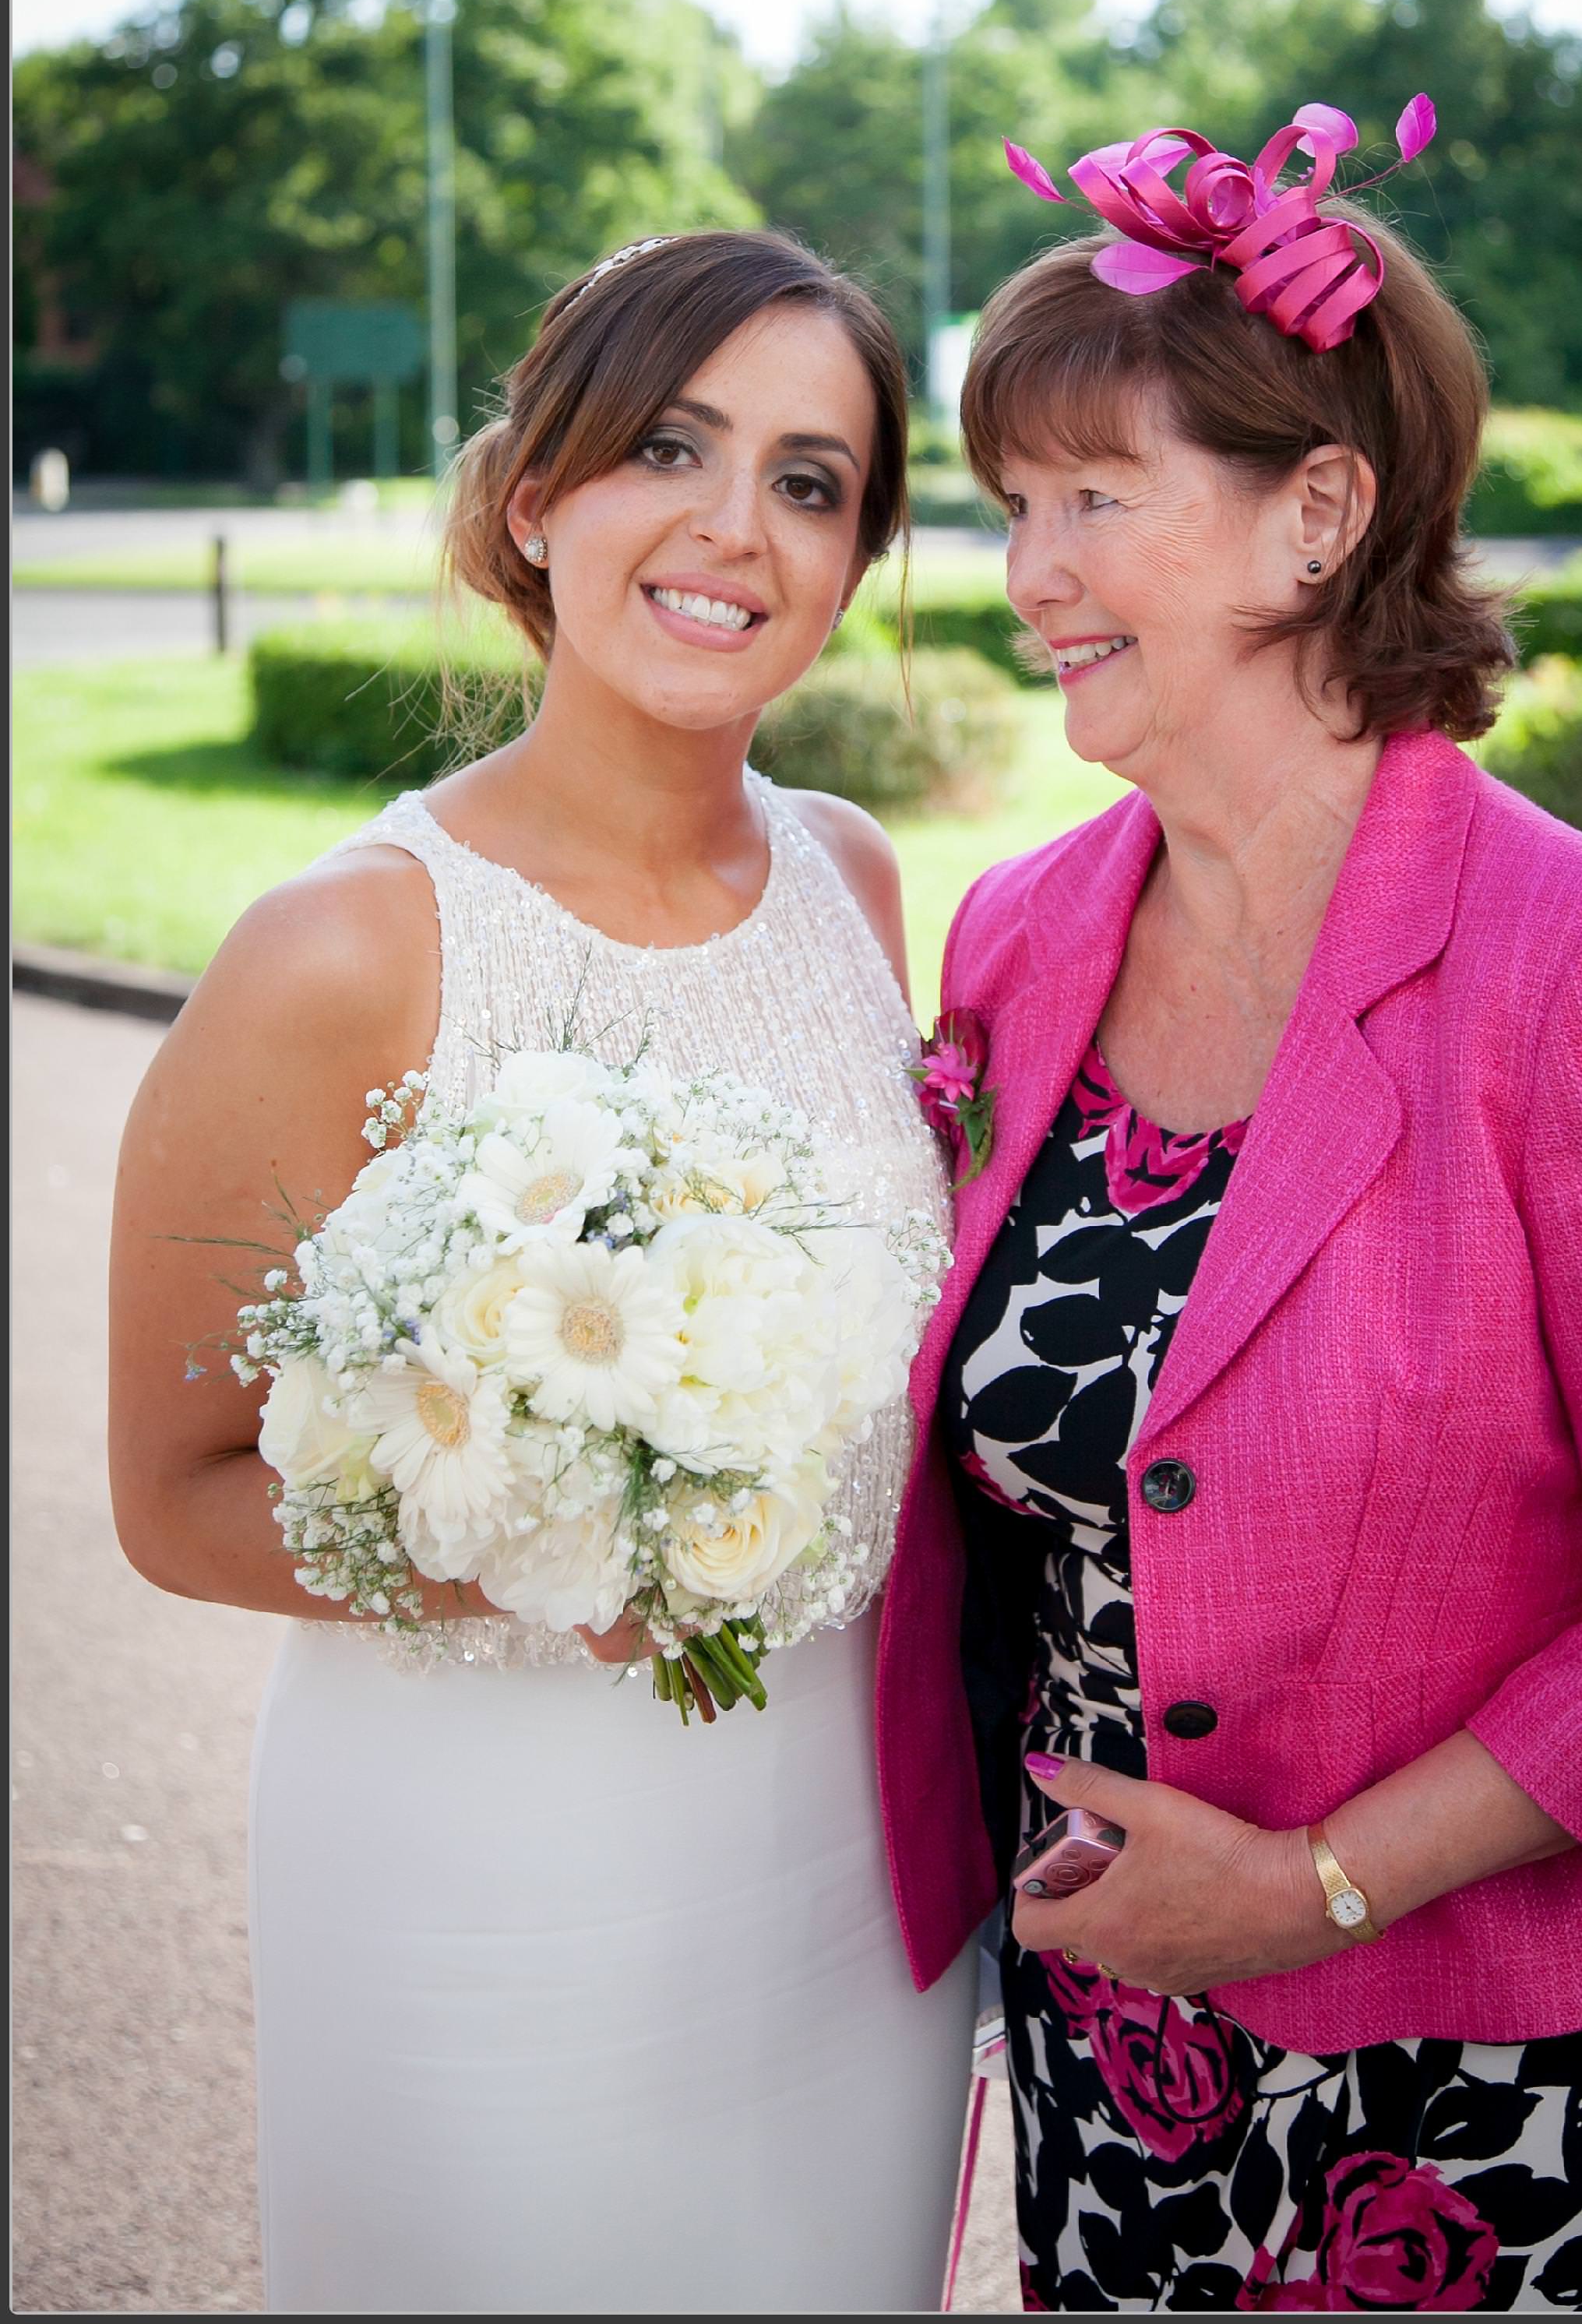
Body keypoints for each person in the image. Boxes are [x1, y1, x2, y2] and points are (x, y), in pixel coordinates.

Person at [873, 115, 1582, 2312]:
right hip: (1107, 2000)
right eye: (1010, 502)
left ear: (1314, 517)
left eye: (1092, 500)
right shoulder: (1019, 938)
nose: (1025, 570)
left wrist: (1309, 1883)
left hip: (1470, 2039)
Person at [108, 231, 975, 2316]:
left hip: (852, 1864)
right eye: (667, 446)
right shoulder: (341, 952)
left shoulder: (852, 875)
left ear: (853, 555)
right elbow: (177, 1493)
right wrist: (561, 1543)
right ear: (533, 496)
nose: (727, 527)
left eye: (805, 478)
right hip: (481, 1861)